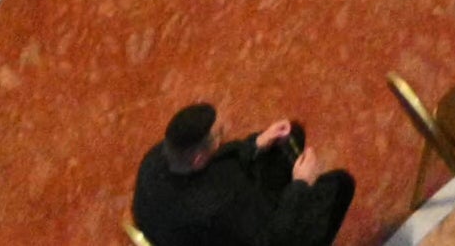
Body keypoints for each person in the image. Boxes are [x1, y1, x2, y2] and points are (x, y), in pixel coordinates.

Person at [131, 104, 356, 246]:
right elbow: (273, 238)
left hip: (182, 233)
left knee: (291, 137)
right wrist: (300, 184)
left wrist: (257, 143)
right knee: (340, 184)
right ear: (199, 159)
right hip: (247, 231)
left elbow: (220, 157)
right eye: (219, 135)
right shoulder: (223, 203)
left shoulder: (155, 160)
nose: (225, 134)